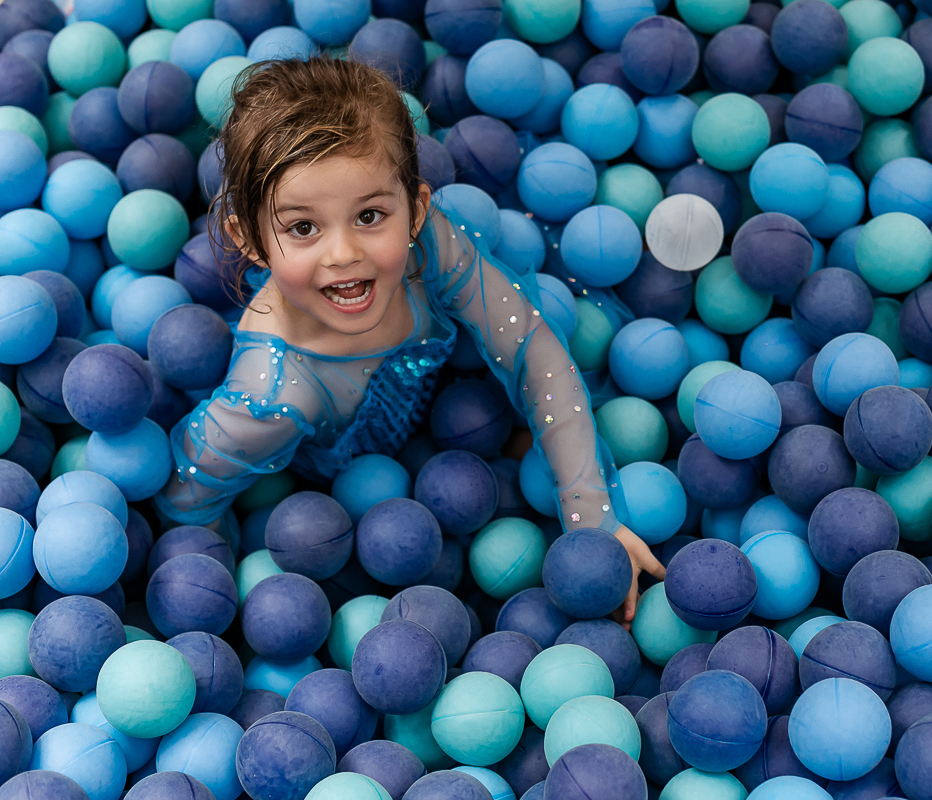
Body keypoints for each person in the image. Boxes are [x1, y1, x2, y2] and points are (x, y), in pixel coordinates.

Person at [153, 56, 663, 623]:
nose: (344, 253)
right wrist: (225, 608)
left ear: (416, 208)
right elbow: (187, 495)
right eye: (303, 228)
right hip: (341, 506)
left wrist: (591, 516)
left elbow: (531, 349)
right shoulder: (271, 398)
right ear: (248, 238)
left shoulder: (428, 247)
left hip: (452, 434)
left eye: (369, 215)